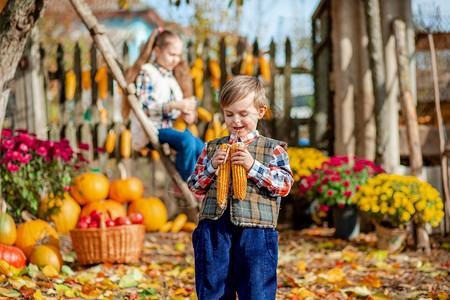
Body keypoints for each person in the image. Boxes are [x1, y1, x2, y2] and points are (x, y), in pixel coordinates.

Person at [187, 75, 294, 299]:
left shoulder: (273, 149)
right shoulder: (212, 148)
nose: (236, 121)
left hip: (256, 231)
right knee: (213, 287)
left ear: (261, 112)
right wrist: (212, 167)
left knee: (256, 289)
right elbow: (195, 186)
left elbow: (284, 185)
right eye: (229, 114)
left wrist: (253, 166)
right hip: (215, 229)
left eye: (243, 114)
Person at [130, 29, 204, 181]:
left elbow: (177, 111)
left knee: (203, 148)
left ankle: (206, 181)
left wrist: (187, 114)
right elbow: (145, 107)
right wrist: (175, 105)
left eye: (178, 55)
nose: (175, 59)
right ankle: (188, 181)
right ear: (157, 51)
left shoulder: (171, 78)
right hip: (153, 128)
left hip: (172, 128)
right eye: (172, 54)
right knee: (187, 141)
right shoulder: (147, 72)